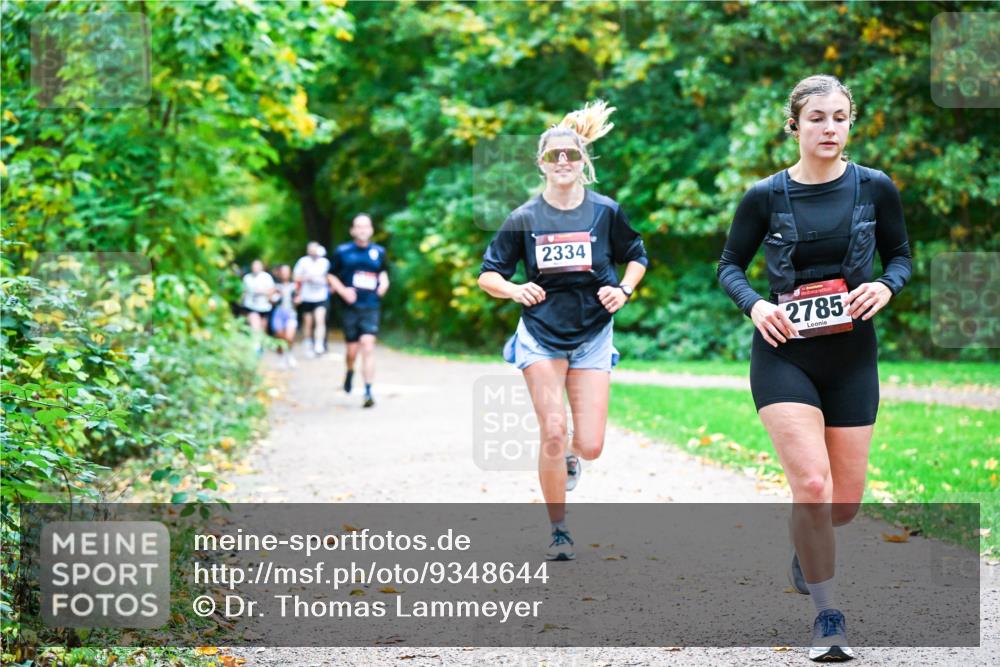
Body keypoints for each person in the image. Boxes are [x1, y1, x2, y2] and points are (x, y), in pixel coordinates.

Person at [717, 74, 911, 662]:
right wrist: (756, 306)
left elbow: (901, 255)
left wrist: (885, 285)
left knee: (844, 505)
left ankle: (808, 544)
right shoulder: (764, 196)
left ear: (850, 123)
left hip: (852, 357)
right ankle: (829, 616)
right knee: (812, 485)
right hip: (785, 355)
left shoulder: (874, 188)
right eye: (817, 118)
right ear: (794, 125)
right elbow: (730, 265)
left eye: (839, 117)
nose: (829, 128)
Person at [477, 100, 648, 562]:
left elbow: (637, 255)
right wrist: (514, 291)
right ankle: (558, 528)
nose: (563, 162)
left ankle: (571, 458)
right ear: (542, 163)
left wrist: (625, 290)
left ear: (582, 160)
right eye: (554, 156)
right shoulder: (525, 218)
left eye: (570, 155)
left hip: (593, 333)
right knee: (553, 431)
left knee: (588, 445)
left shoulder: (605, 212)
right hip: (541, 332)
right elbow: (488, 274)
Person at [327, 214, 390, 408]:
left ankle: (368, 391)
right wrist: (343, 291)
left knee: (368, 346)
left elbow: (383, 273)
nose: (362, 230)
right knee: (352, 352)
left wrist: (384, 284)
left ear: (371, 230)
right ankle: (349, 371)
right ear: (353, 230)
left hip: (371, 305)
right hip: (350, 308)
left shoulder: (378, 251)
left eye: (366, 226)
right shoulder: (343, 252)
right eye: (358, 227)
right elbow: (330, 275)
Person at [293, 241, 331, 356]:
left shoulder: (325, 262)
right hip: (307, 297)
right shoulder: (303, 262)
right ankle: (308, 343)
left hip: (321, 296)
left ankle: (318, 344)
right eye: (311, 249)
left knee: (320, 320)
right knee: (308, 322)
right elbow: (295, 277)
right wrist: (305, 278)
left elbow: (331, 277)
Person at [241, 259, 276, 355]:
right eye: (254, 266)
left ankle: (261, 347)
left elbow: (272, 290)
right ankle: (255, 348)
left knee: (262, 328)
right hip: (251, 306)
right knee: (255, 327)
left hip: (264, 307)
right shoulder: (247, 278)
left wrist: (263, 292)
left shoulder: (267, 277)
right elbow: (243, 291)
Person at [269, 264, 299, 369]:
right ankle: (281, 358)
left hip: (290, 313)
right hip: (278, 313)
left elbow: (298, 298)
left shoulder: (294, 286)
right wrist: (276, 297)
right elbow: (270, 299)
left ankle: (289, 355)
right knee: (280, 337)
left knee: (289, 337)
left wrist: (297, 300)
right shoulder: (276, 286)